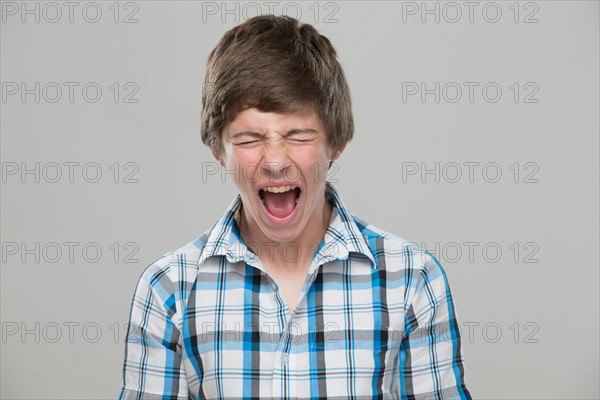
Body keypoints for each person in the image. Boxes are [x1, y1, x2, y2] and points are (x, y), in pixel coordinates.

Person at [119, 15, 471, 399]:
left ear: (335, 144)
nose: (274, 161)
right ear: (220, 151)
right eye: (250, 139)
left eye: (299, 136)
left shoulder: (411, 280)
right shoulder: (169, 289)